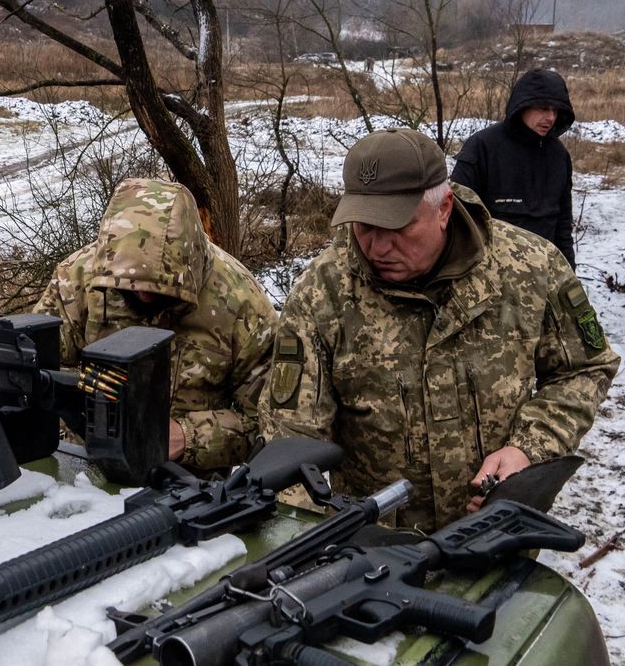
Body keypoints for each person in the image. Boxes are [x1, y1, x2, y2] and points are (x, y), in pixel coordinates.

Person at [261, 128, 618, 533]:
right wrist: (311, 542)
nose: (377, 248)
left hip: (499, 537)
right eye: (363, 226)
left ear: (444, 207)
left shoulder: (530, 268)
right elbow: (290, 438)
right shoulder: (323, 293)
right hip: (376, 555)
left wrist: (528, 449)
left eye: (396, 227)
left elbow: (585, 368)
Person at [34, 178, 277, 472]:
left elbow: (270, 422)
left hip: (189, 484)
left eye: (159, 288)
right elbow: (37, 368)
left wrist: (186, 437)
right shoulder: (79, 279)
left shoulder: (241, 304)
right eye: (130, 285)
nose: (143, 294)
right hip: (84, 470)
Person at [451, 69, 577, 268]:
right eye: (543, 108)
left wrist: (569, 273)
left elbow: (563, 225)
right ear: (523, 105)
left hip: (546, 273)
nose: (551, 117)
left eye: (556, 110)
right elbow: (457, 219)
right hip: (492, 275)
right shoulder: (483, 147)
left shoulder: (559, 156)